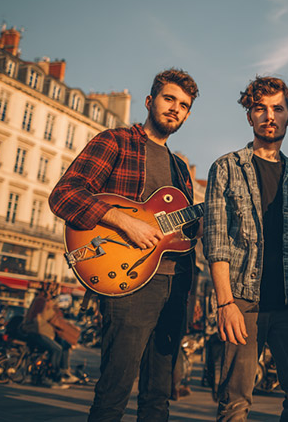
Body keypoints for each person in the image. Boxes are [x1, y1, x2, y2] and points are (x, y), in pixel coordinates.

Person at [49, 68, 199, 421]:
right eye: (169, 99)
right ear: (150, 101)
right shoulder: (116, 142)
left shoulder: (180, 169)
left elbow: (184, 235)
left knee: (159, 396)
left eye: (184, 105)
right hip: (129, 281)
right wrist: (123, 220)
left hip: (174, 284)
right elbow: (64, 195)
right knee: (114, 391)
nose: (176, 108)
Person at [203, 76, 288, 421]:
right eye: (261, 108)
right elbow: (216, 241)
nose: (270, 116)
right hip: (242, 302)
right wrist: (225, 303)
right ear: (250, 117)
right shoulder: (225, 167)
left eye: (278, 109)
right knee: (235, 403)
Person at [21, 281, 76, 387]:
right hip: (38, 332)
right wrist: (52, 308)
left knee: (63, 345)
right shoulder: (42, 301)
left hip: (40, 331)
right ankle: (52, 377)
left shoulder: (40, 300)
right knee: (57, 349)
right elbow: (43, 317)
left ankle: (62, 372)